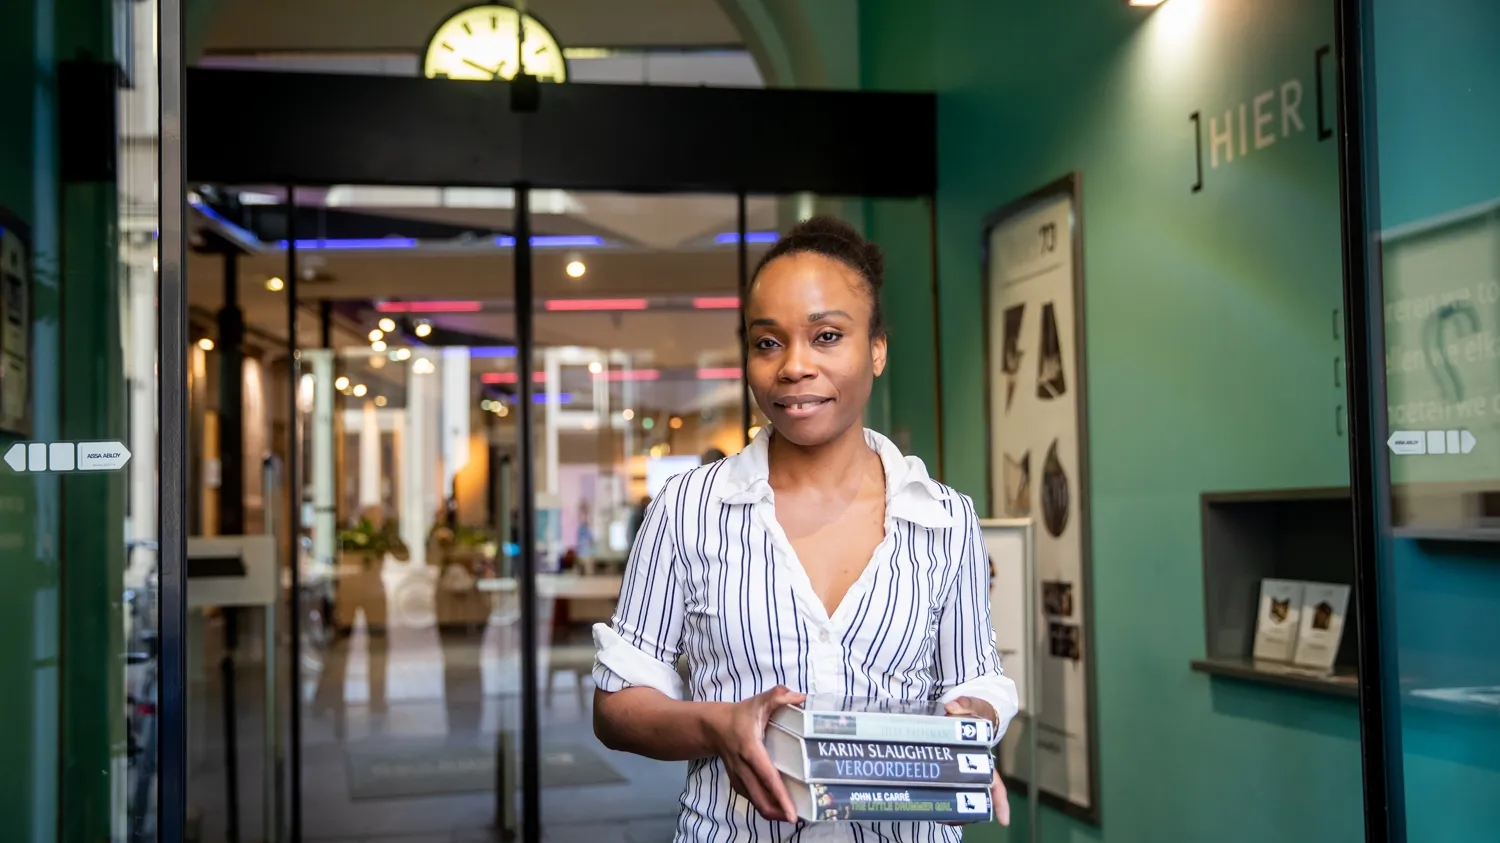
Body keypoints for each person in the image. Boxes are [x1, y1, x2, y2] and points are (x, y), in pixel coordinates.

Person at [591, 217, 1018, 841]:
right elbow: (617, 707)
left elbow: (975, 676)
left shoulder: (943, 518)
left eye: (826, 336)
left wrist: (967, 724)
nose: (794, 366)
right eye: (768, 343)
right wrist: (718, 725)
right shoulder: (688, 509)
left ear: (876, 348)